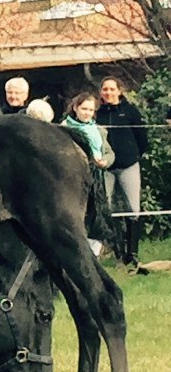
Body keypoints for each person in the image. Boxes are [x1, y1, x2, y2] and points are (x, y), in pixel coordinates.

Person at [96, 76, 148, 271]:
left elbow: (142, 138)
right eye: (105, 89)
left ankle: (132, 253)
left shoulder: (130, 112)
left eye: (112, 89)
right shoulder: (97, 114)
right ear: (101, 92)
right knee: (106, 209)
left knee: (133, 209)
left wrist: (133, 155)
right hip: (105, 168)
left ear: (119, 91)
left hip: (128, 166)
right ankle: (117, 252)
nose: (108, 93)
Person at [62, 92, 114, 257]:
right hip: (74, 179)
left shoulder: (98, 130)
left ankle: (94, 255)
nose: (87, 113)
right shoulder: (64, 128)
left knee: (97, 215)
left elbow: (109, 152)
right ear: (76, 108)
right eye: (84, 108)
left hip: (97, 178)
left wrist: (105, 161)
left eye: (91, 110)